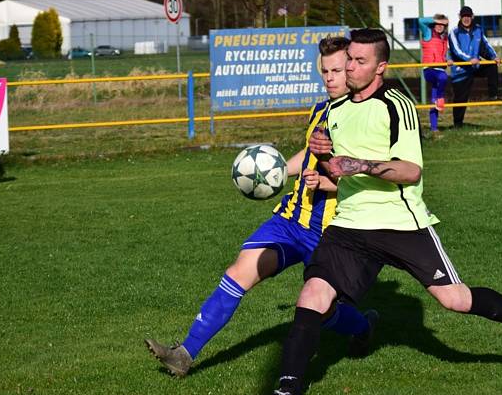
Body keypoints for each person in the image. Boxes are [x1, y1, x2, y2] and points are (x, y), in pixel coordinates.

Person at [248, 28, 502, 395]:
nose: (349, 68)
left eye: (359, 62)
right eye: (348, 59)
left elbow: (411, 171)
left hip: (401, 223)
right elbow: (334, 170)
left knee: (454, 299)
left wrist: (356, 165)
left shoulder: (396, 105)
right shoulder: (333, 110)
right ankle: (287, 393)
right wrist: (309, 167)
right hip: (349, 224)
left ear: (381, 67)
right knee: (312, 296)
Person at [144, 36, 377, 377]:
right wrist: (278, 169)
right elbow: (310, 156)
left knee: (322, 310)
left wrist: (328, 183)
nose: (329, 77)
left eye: (337, 70)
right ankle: (184, 354)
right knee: (239, 272)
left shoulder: (363, 118)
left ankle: (362, 328)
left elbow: (369, 174)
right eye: (324, 70)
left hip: (330, 230)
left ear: (353, 68)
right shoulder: (320, 109)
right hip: (291, 219)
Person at [447, 6, 501, 128]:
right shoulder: (454, 32)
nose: (466, 19)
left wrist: (494, 57)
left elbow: (485, 45)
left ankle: (493, 95)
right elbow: (456, 51)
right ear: (460, 17)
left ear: (472, 17)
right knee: (460, 99)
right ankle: (457, 125)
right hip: (461, 70)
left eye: (468, 16)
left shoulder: (478, 30)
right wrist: (469, 59)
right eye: (464, 16)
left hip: (475, 66)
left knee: (491, 66)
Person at [418, 13, 452, 132]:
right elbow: (421, 21)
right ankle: (440, 97)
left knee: (434, 102)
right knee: (443, 77)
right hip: (430, 70)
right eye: (438, 24)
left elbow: (444, 54)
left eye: (443, 25)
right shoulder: (428, 33)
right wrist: (437, 19)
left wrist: (448, 60)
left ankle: (434, 128)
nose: (440, 27)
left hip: (440, 68)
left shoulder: (445, 38)